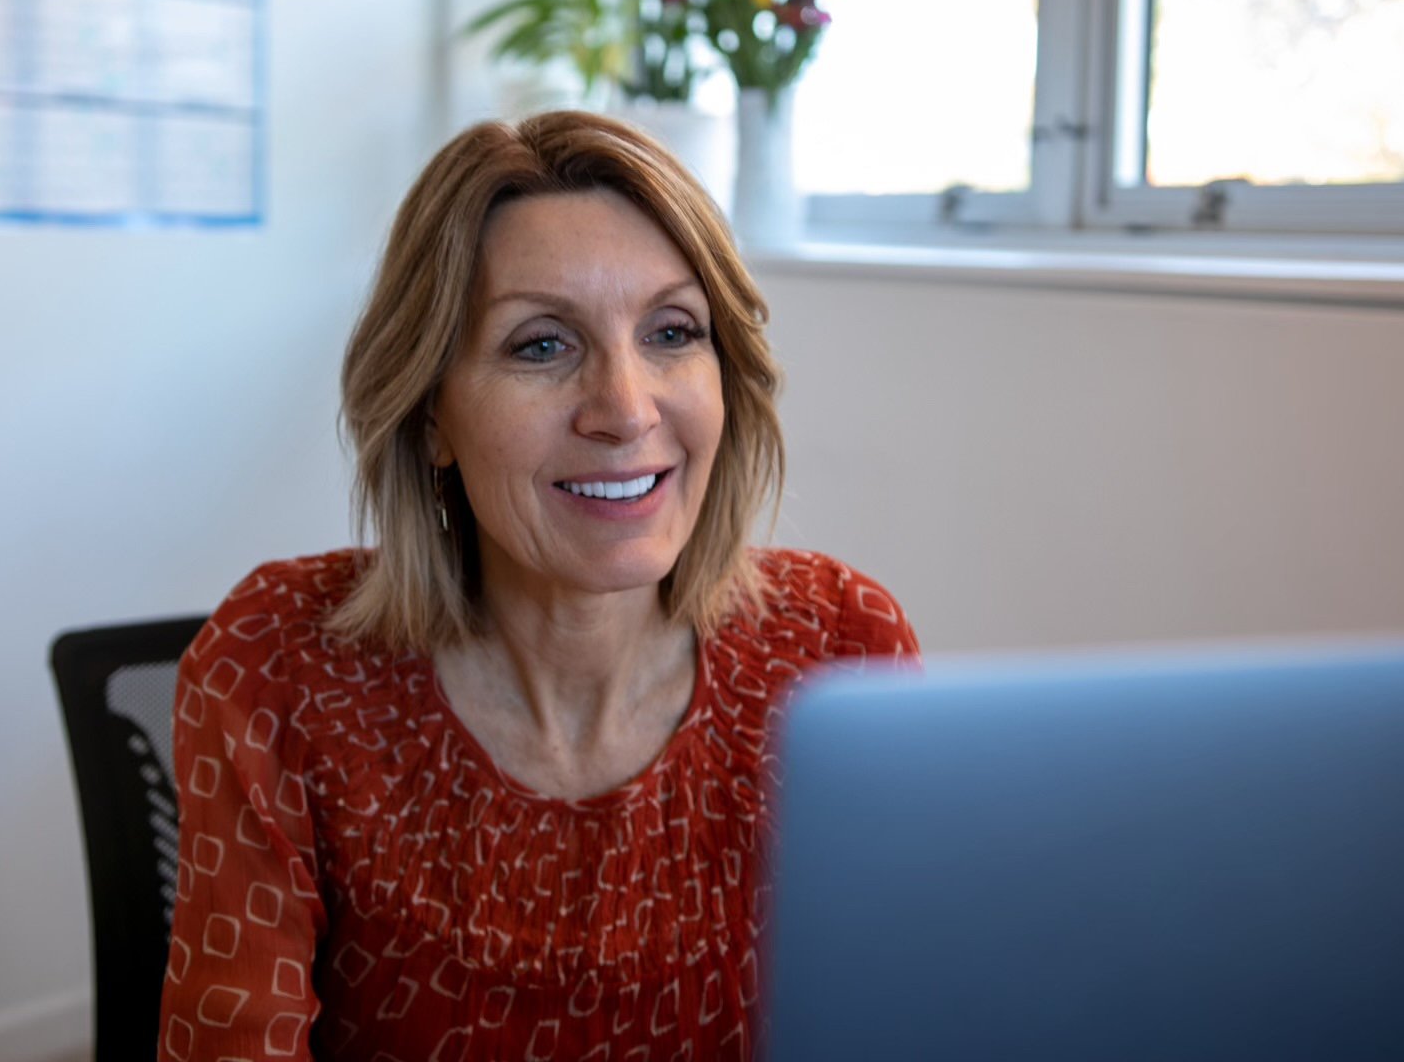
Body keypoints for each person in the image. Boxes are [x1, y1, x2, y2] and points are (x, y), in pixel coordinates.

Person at [159, 111, 919, 1061]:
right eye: (541, 345)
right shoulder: (278, 664)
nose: (626, 410)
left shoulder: (840, 651)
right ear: (431, 412)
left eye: (672, 331)